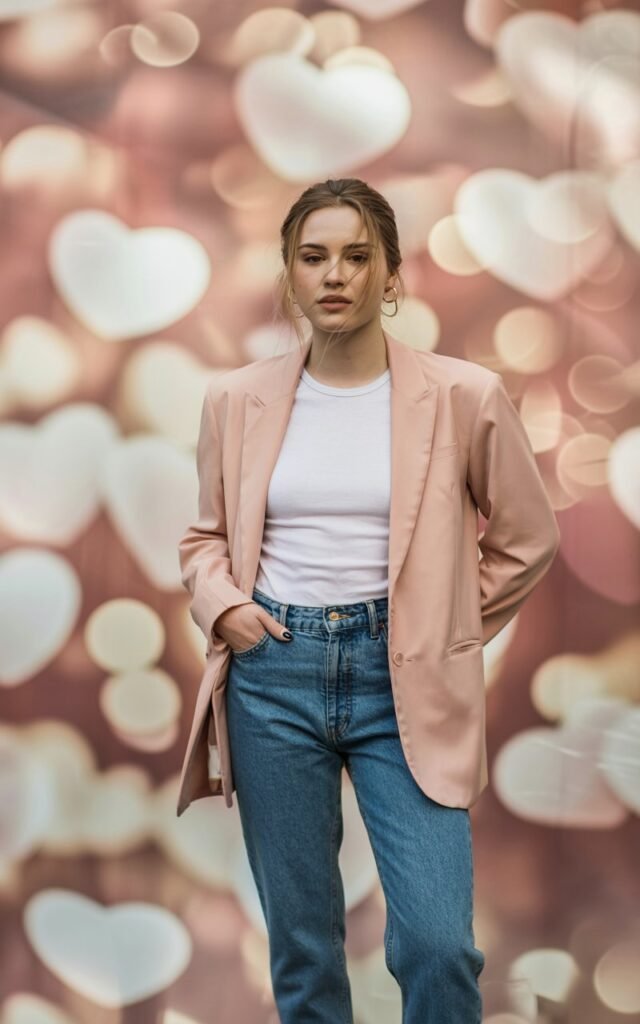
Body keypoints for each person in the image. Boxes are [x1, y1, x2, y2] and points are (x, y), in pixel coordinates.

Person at [177, 177, 560, 1023]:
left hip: (407, 677)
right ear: (288, 273)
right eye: (313, 257)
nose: (335, 275)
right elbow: (204, 539)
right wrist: (226, 609)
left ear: (392, 277)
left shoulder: (464, 395)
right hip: (274, 674)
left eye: (358, 256)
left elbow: (528, 540)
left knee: (437, 946)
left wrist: (449, 627)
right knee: (305, 950)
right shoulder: (234, 399)